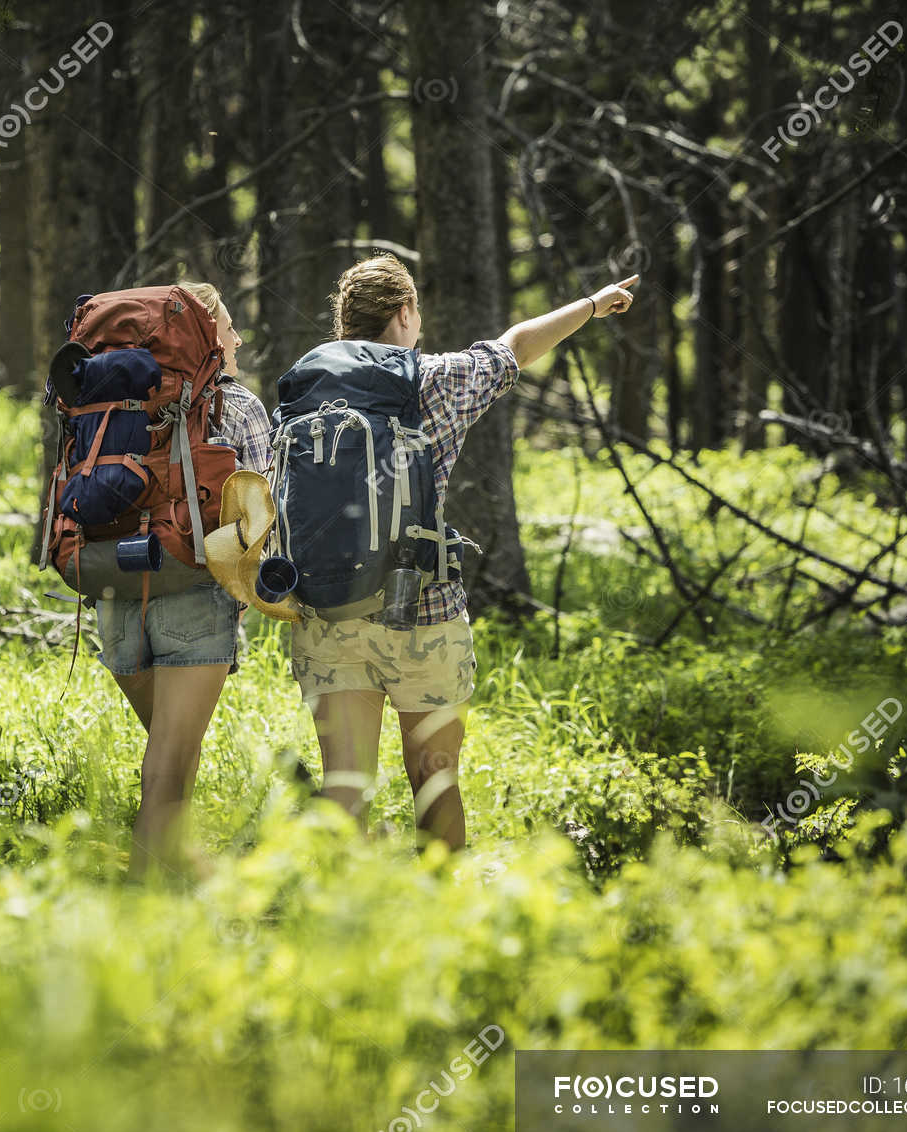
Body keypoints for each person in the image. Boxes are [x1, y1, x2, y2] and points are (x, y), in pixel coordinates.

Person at [289, 255, 639, 849]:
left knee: (344, 785)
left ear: (343, 325)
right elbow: (516, 346)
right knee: (435, 779)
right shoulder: (439, 378)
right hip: (422, 611)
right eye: (415, 311)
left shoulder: (306, 389)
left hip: (327, 614)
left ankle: (336, 926)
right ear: (404, 312)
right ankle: (446, 916)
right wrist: (593, 304)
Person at [96, 282, 272, 879]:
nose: (237, 337)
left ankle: (183, 867)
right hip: (192, 588)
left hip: (112, 581)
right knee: (170, 757)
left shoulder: (106, 401)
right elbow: (263, 508)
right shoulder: (235, 406)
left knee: (169, 747)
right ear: (202, 335)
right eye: (225, 325)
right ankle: (145, 903)